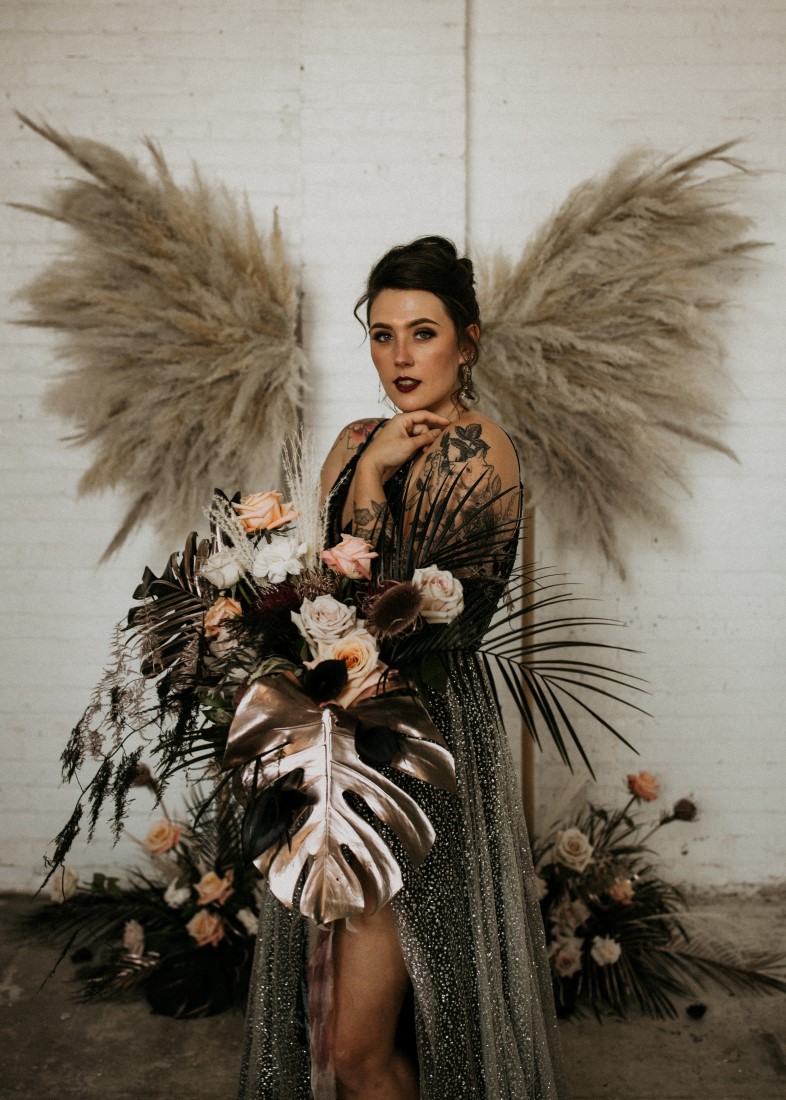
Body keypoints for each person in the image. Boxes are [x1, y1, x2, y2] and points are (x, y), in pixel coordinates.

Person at [238, 237, 567, 1099]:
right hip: (337, 736)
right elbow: (315, 590)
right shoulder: (354, 437)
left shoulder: (480, 452)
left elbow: (417, 621)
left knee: (361, 1044)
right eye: (382, 335)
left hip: (417, 748)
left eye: (422, 333)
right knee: (346, 1037)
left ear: (469, 341)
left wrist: (377, 486)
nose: (400, 356)